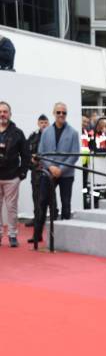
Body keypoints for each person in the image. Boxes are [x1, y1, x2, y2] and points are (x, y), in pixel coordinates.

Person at [35, 102, 80, 242]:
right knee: (42, 201)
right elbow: (41, 153)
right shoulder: (46, 132)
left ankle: (65, 237)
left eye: (64, 113)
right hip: (48, 173)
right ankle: (37, 235)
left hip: (66, 174)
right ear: (54, 113)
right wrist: (51, 167)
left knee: (66, 203)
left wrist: (61, 169)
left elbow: (75, 155)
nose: (61, 115)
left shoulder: (73, 132)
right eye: (59, 112)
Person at [0, 101, 29, 247]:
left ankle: (12, 235)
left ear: (10, 114)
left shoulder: (18, 133)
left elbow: (25, 155)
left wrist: (21, 174)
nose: (2, 114)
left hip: (12, 177)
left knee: (11, 209)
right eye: (0, 111)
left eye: (5, 111)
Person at [26, 114, 49, 236]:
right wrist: (32, 165)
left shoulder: (52, 135)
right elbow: (26, 152)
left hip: (48, 171)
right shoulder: (33, 136)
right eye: (41, 122)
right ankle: (37, 220)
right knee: (36, 197)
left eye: (45, 122)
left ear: (48, 123)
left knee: (50, 197)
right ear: (38, 123)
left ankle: (53, 219)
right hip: (36, 172)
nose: (43, 124)